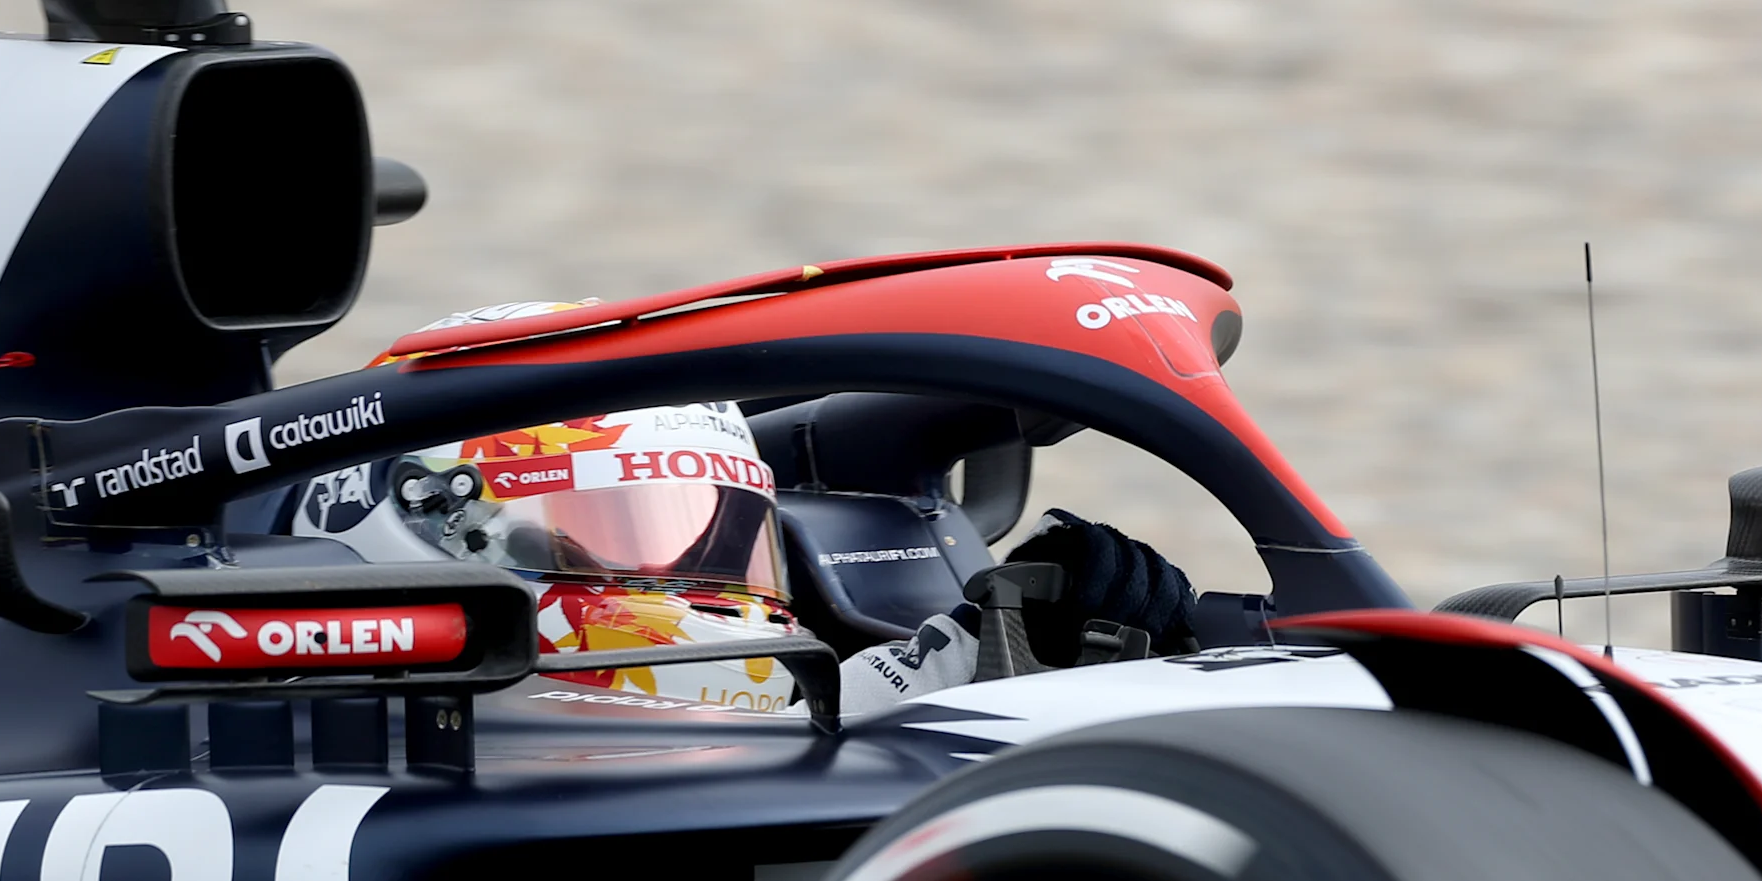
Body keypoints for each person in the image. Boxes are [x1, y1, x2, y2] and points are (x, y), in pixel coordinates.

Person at [279, 305, 1203, 717]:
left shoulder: (792, 701)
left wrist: (1036, 646)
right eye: (616, 532)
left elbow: (864, 701)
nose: (690, 580)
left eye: (720, 536)